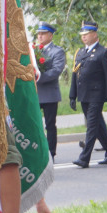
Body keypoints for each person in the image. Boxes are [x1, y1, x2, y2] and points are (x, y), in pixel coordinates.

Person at [70, 20, 107, 168]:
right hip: (84, 95)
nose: (84, 37)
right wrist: (72, 95)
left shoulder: (104, 52)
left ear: (95, 34)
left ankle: (84, 158)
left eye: (87, 34)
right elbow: (75, 74)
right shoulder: (80, 52)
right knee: (98, 127)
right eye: (82, 34)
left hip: (97, 95)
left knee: (91, 126)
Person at [35, 23, 66, 158]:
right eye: (38, 34)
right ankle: (37, 152)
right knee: (35, 124)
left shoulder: (57, 51)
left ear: (50, 35)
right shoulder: (35, 50)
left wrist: (38, 77)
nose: (40, 36)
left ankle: (51, 153)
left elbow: (56, 70)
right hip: (36, 93)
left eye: (43, 33)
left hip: (49, 94)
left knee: (50, 125)